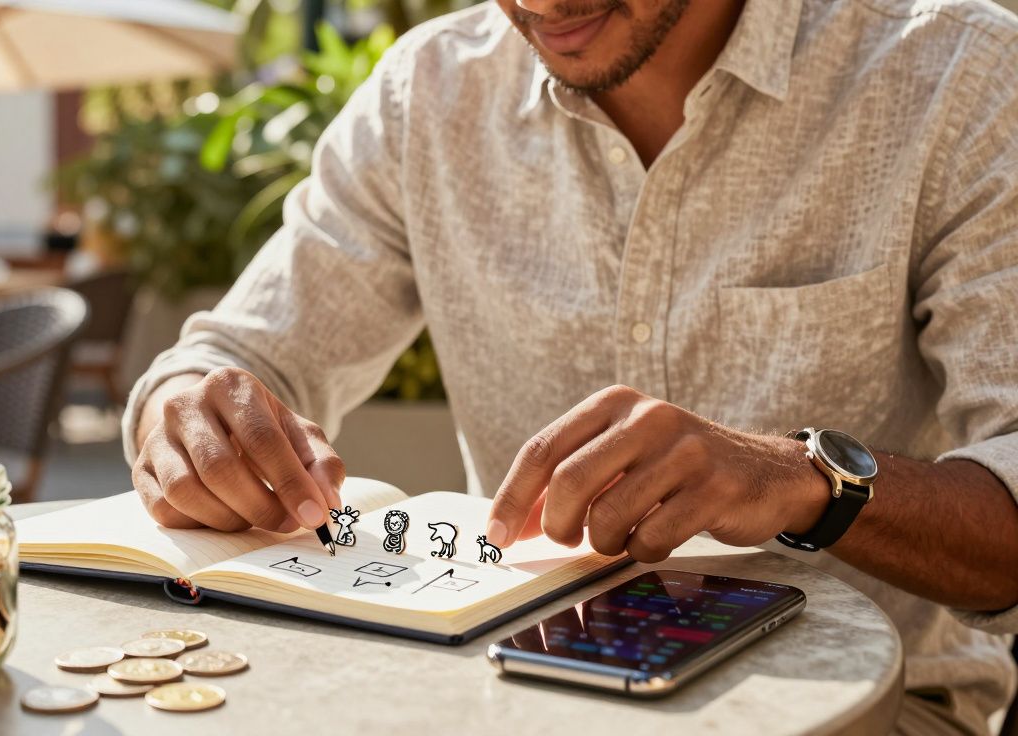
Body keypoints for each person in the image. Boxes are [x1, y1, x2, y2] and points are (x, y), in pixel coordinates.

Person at [122, 1, 1018, 732]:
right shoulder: (427, 94)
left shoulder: (957, 76)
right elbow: (237, 355)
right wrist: (189, 412)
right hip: (503, 702)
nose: (541, 4)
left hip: (866, 709)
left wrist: (805, 481)